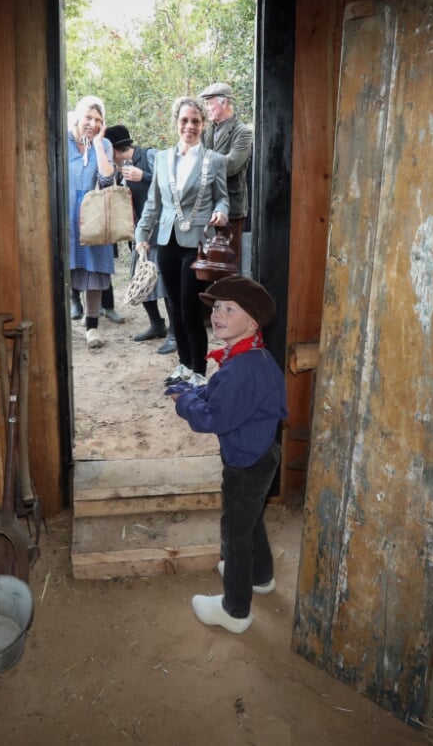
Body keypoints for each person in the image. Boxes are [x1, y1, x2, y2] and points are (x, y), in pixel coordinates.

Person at [166, 276, 286, 634]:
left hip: (246, 464)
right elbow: (220, 397)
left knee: (235, 532)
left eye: (230, 309)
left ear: (252, 323)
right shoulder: (247, 356)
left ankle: (235, 611)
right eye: (217, 307)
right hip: (259, 454)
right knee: (249, 520)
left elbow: (214, 417)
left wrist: (184, 401)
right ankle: (260, 576)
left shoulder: (245, 369)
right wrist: (194, 391)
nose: (218, 314)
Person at [135, 96, 230, 388]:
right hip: (167, 241)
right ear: (177, 123)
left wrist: (221, 212)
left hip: (198, 244)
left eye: (196, 121)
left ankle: (199, 371)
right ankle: (184, 365)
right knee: (174, 308)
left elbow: (223, 198)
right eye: (184, 121)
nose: (189, 126)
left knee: (190, 308)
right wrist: (142, 235)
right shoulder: (162, 158)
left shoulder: (214, 160)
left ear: (203, 125)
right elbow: (153, 202)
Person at [104, 124, 171, 344]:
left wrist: (144, 176)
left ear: (115, 149)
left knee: (168, 282)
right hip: (139, 233)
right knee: (139, 278)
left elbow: (172, 185)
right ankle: (157, 324)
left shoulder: (151, 156)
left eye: (107, 150)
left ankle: (176, 332)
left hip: (162, 229)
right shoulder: (118, 169)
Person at [67, 95, 117, 349]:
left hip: (92, 215)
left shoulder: (105, 144)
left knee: (94, 272)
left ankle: (92, 327)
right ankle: (60, 327)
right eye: (88, 117)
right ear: (77, 116)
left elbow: (107, 181)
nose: (93, 123)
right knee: (63, 271)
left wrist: (97, 144)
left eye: (98, 119)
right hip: (64, 214)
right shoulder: (61, 140)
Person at [199, 82, 253, 269]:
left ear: (223, 103)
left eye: (209, 103)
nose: (206, 108)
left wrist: (204, 162)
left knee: (228, 266)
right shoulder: (206, 131)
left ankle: (229, 299)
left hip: (231, 209)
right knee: (206, 263)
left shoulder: (243, 132)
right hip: (205, 206)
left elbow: (231, 165)